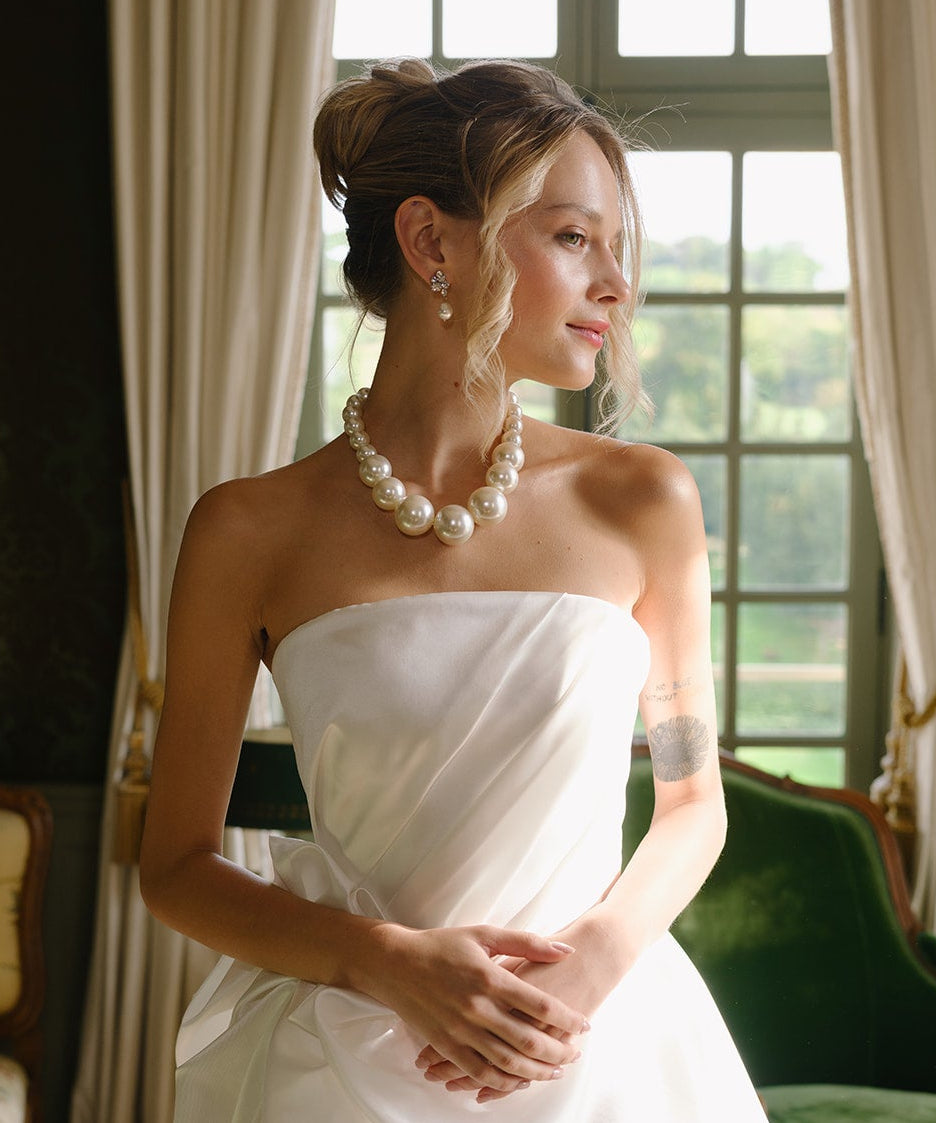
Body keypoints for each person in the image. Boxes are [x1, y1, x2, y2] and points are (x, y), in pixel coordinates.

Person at [140, 57, 766, 1121]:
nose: (615, 283)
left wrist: (590, 966)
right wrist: (385, 961)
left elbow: (691, 801)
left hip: (597, 1051)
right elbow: (178, 865)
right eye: (574, 238)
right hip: (344, 1062)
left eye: (616, 247)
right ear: (432, 242)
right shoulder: (247, 529)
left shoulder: (642, 500)